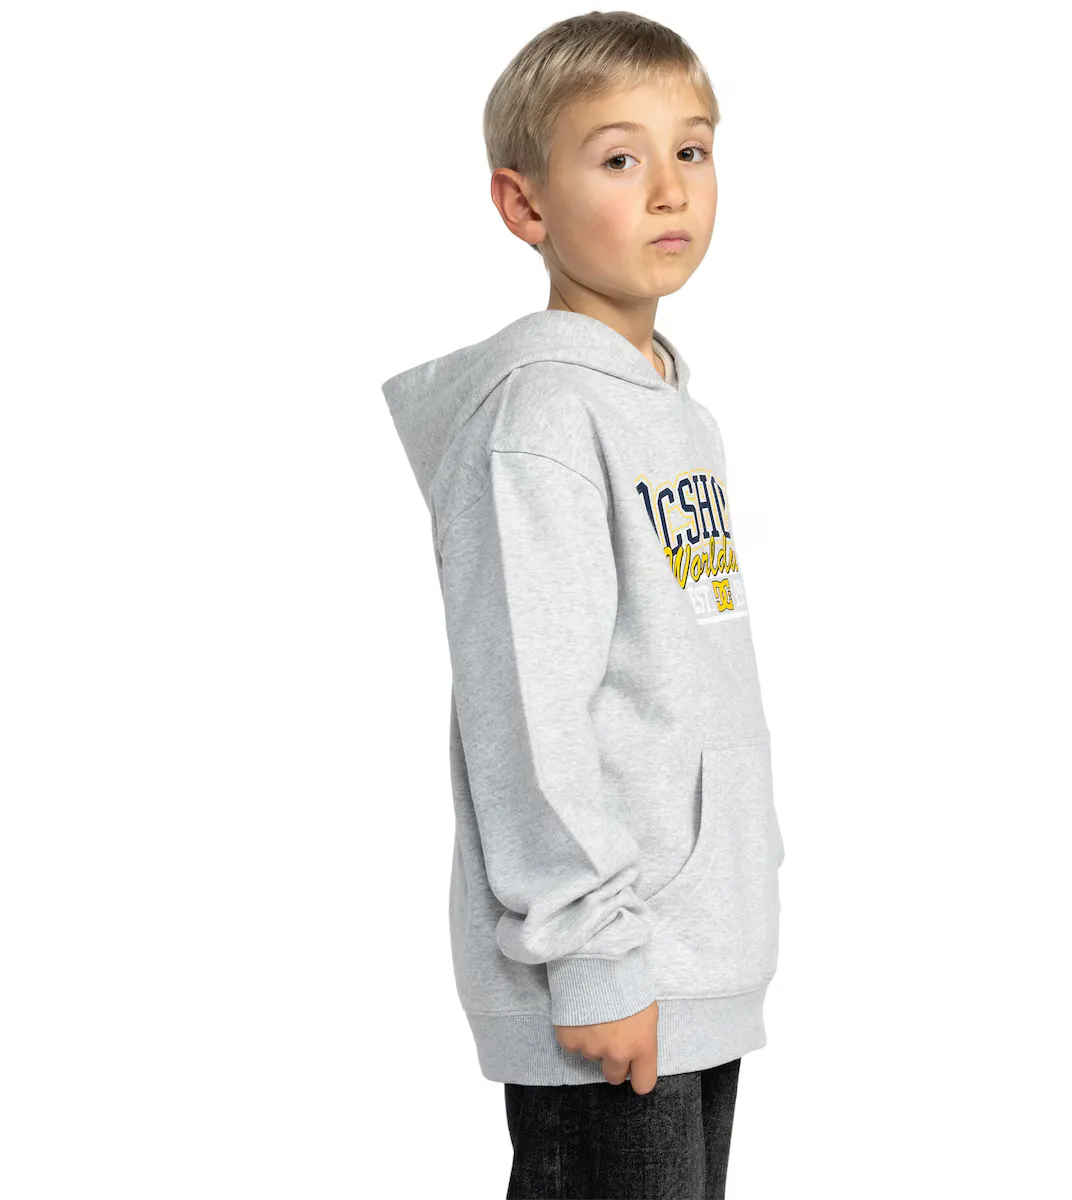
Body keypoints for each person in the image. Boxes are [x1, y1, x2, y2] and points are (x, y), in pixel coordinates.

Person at [381, 12, 785, 1198]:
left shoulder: (674, 413)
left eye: (692, 150)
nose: (669, 188)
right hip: (605, 972)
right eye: (619, 158)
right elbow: (527, 704)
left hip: (693, 954)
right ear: (524, 205)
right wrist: (593, 953)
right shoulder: (545, 418)